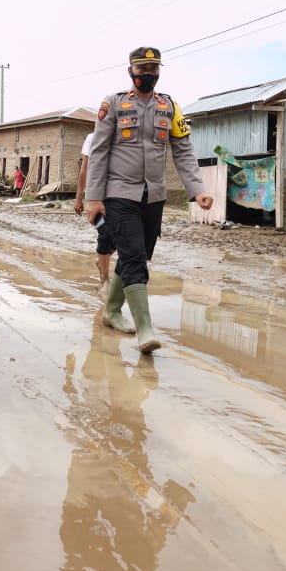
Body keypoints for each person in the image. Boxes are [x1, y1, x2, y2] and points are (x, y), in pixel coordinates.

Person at [85, 47, 214, 353]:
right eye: (142, 69)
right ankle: (145, 329)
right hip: (118, 193)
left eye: (153, 69)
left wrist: (197, 189)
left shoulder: (169, 107)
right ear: (130, 71)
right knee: (132, 254)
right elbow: (99, 151)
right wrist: (93, 197)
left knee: (137, 256)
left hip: (153, 195)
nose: (148, 75)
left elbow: (182, 150)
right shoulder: (113, 104)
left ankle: (111, 311)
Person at [74, 131, 114, 292]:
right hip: (96, 197)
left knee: (119, 236)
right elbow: (84, 170)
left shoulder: (123, 136)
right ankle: (104, 280)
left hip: (117, 195)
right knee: (104, 234)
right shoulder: (92, 138)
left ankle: (102, 259)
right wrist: (78, 198)